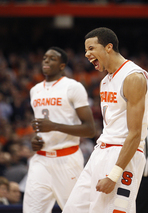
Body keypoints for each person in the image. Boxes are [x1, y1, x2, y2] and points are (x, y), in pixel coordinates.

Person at [63, 27, 148, 213]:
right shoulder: (105, 81)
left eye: (91, 49)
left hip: (123, 154)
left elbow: (135, 134)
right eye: (86, 50)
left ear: (108, 47)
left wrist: (114, 174)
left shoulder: (133, 77)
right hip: (100, 151)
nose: (87, 54)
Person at [24, 47, 96, 213]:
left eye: (52, 59)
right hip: (40, 160)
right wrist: (36, 140)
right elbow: (40, 126)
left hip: (67, 159)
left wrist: (54, 126)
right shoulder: (34, 90)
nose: (46, 61)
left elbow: (90, 129)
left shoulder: (73, 87)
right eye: (44, 58)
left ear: (62, 65)